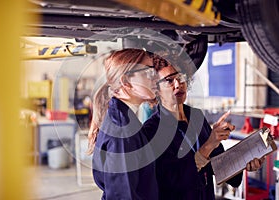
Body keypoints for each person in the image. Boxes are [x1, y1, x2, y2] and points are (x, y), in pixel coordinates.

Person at [143, 63, 265, 200]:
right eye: (169, 80)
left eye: (181, 77)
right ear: (156, 89)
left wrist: (245, 160)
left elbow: (218, 164)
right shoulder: (151, 130)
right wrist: (209, 144)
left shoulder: (196, 116)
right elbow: (168, 179)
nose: (178, 84)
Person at [87, 48, 161, 200]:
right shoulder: (122, 132)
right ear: (126, 81)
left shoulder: (126, 120)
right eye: (149, 72)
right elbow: (122, 195)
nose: (156, 79)